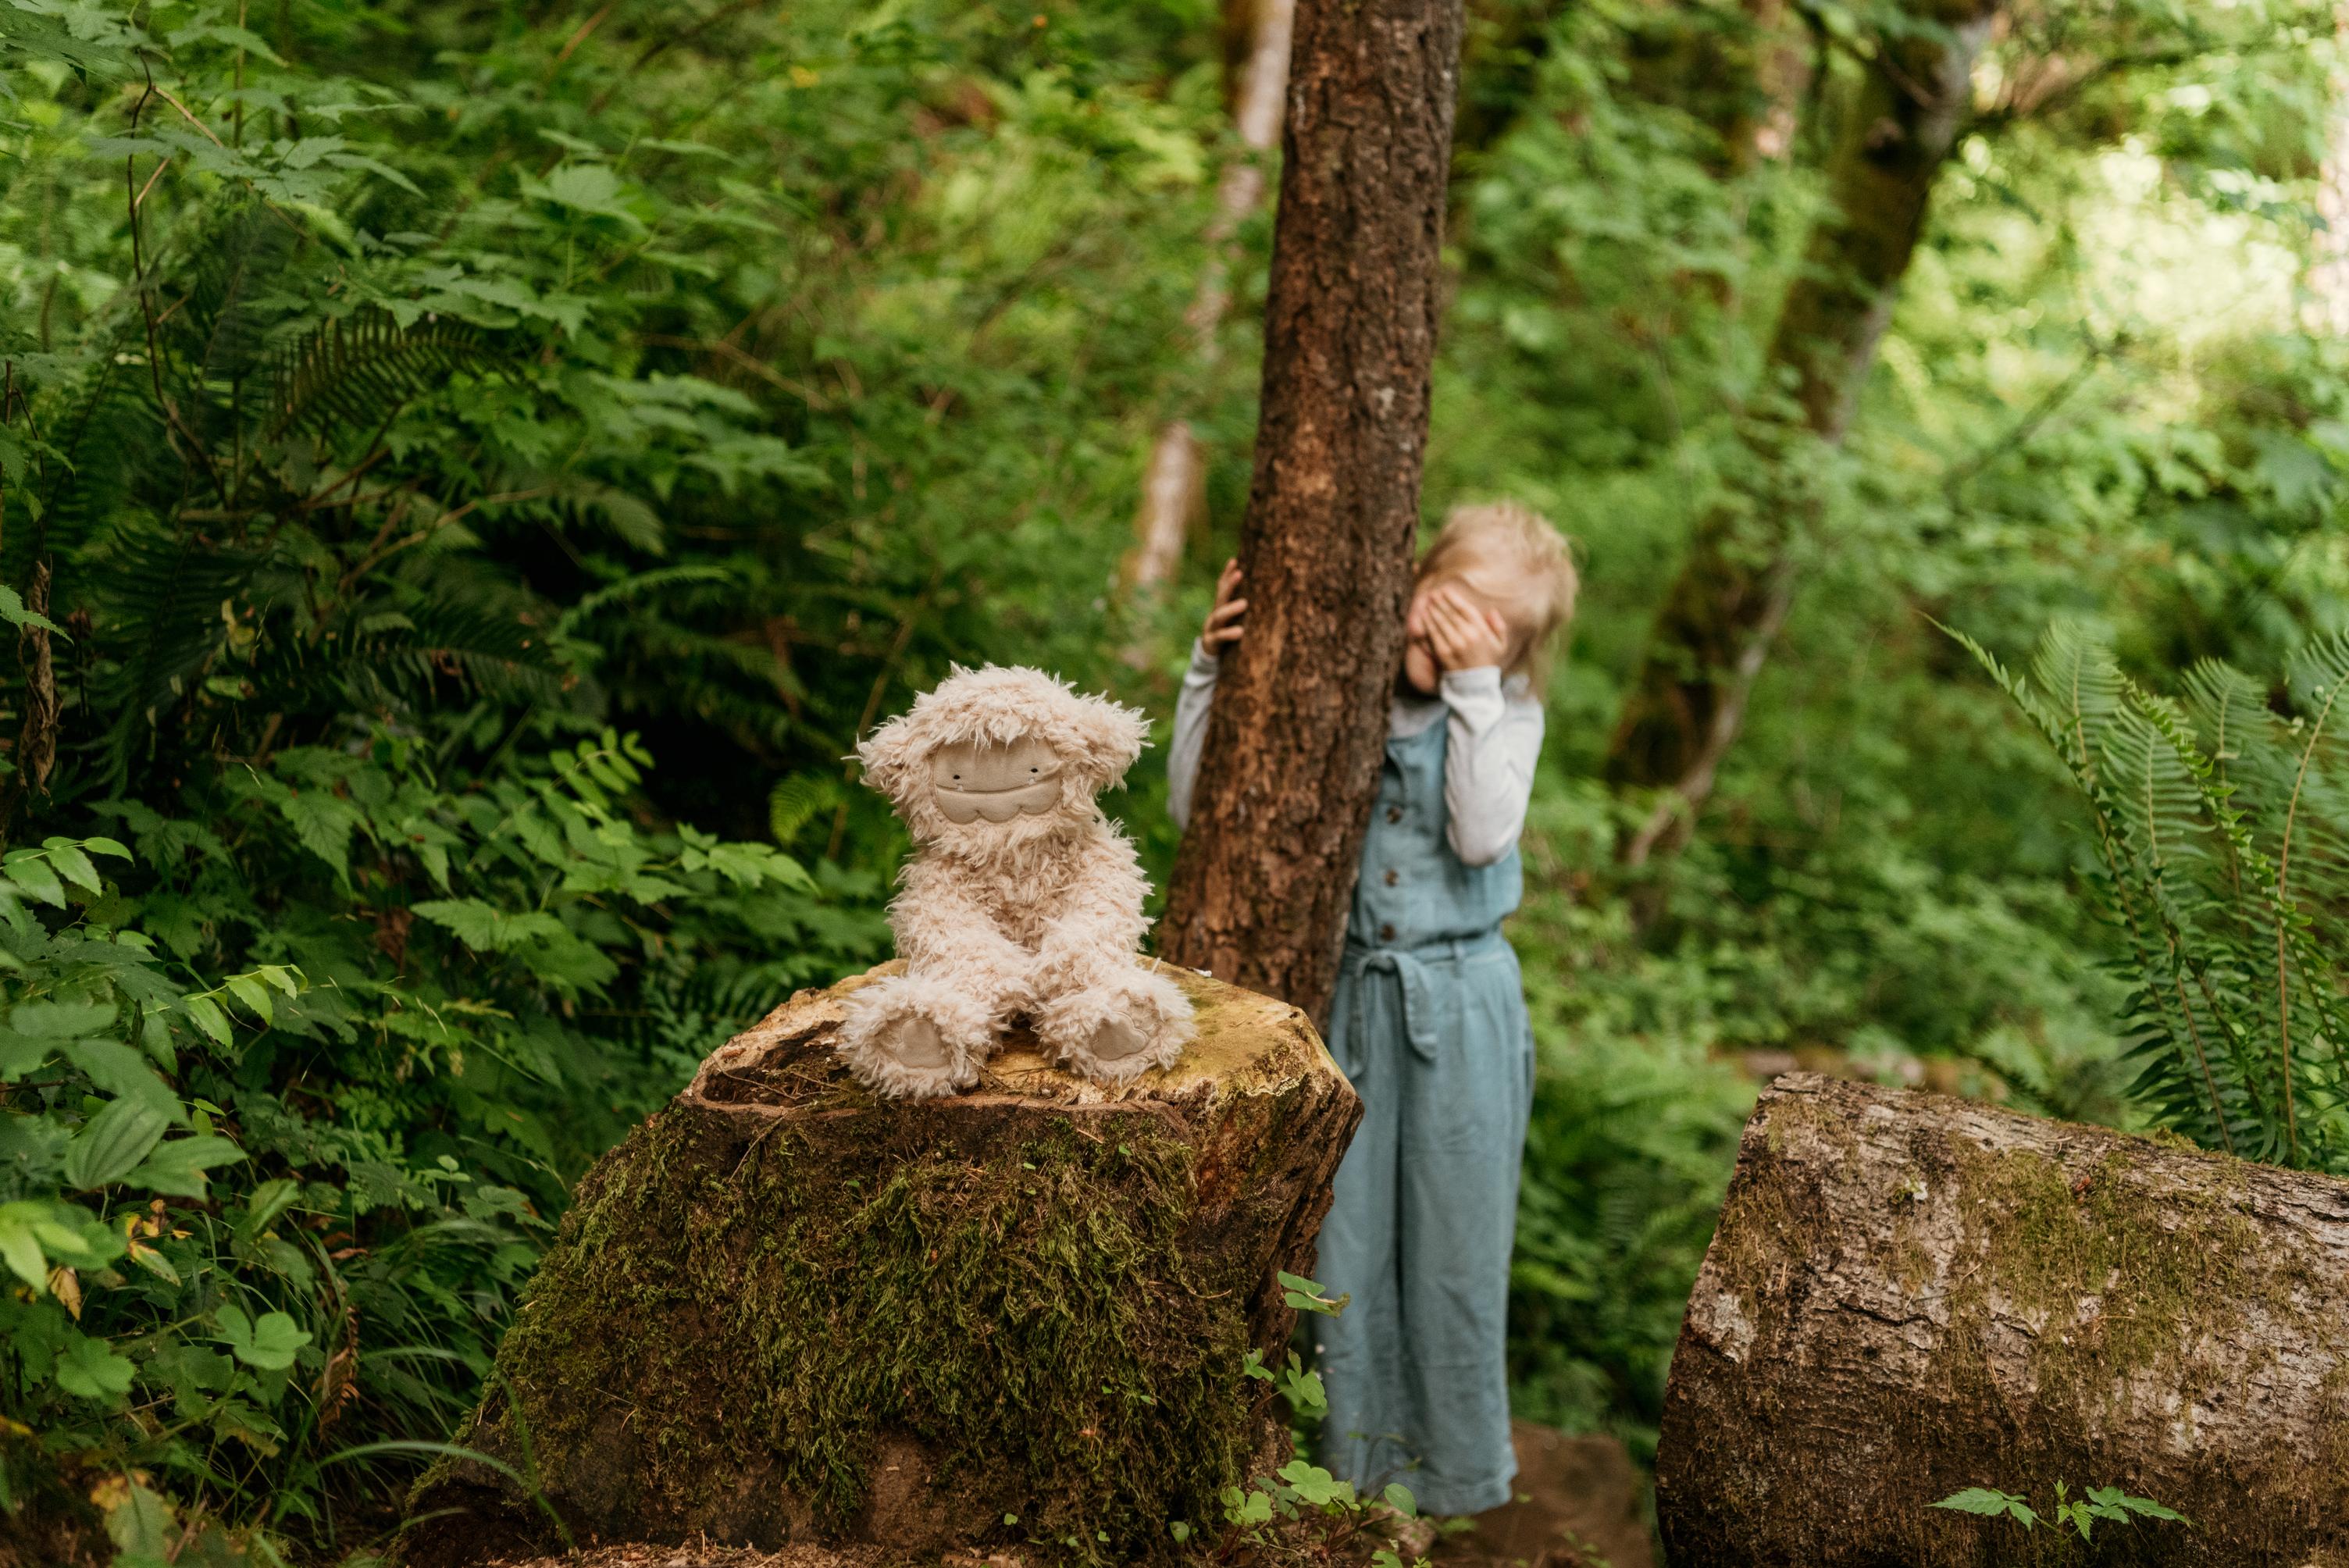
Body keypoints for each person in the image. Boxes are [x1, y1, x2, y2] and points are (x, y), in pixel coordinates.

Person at [1167, 500, 1577, 1516]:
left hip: (1463, 1012)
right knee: (1341, 1246)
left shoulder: (1506, 711)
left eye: (1490, 627)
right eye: (1445, 603)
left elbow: (1482, 836)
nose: (1450, 634)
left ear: (1516, 650)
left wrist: (1477, 687)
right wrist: (1210, 670)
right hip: (1347, 999)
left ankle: (1444, 1486)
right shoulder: (1340, 678)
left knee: (1455, 1246)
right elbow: (1198, 809)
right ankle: (1349, 1487)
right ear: (1406, 581)